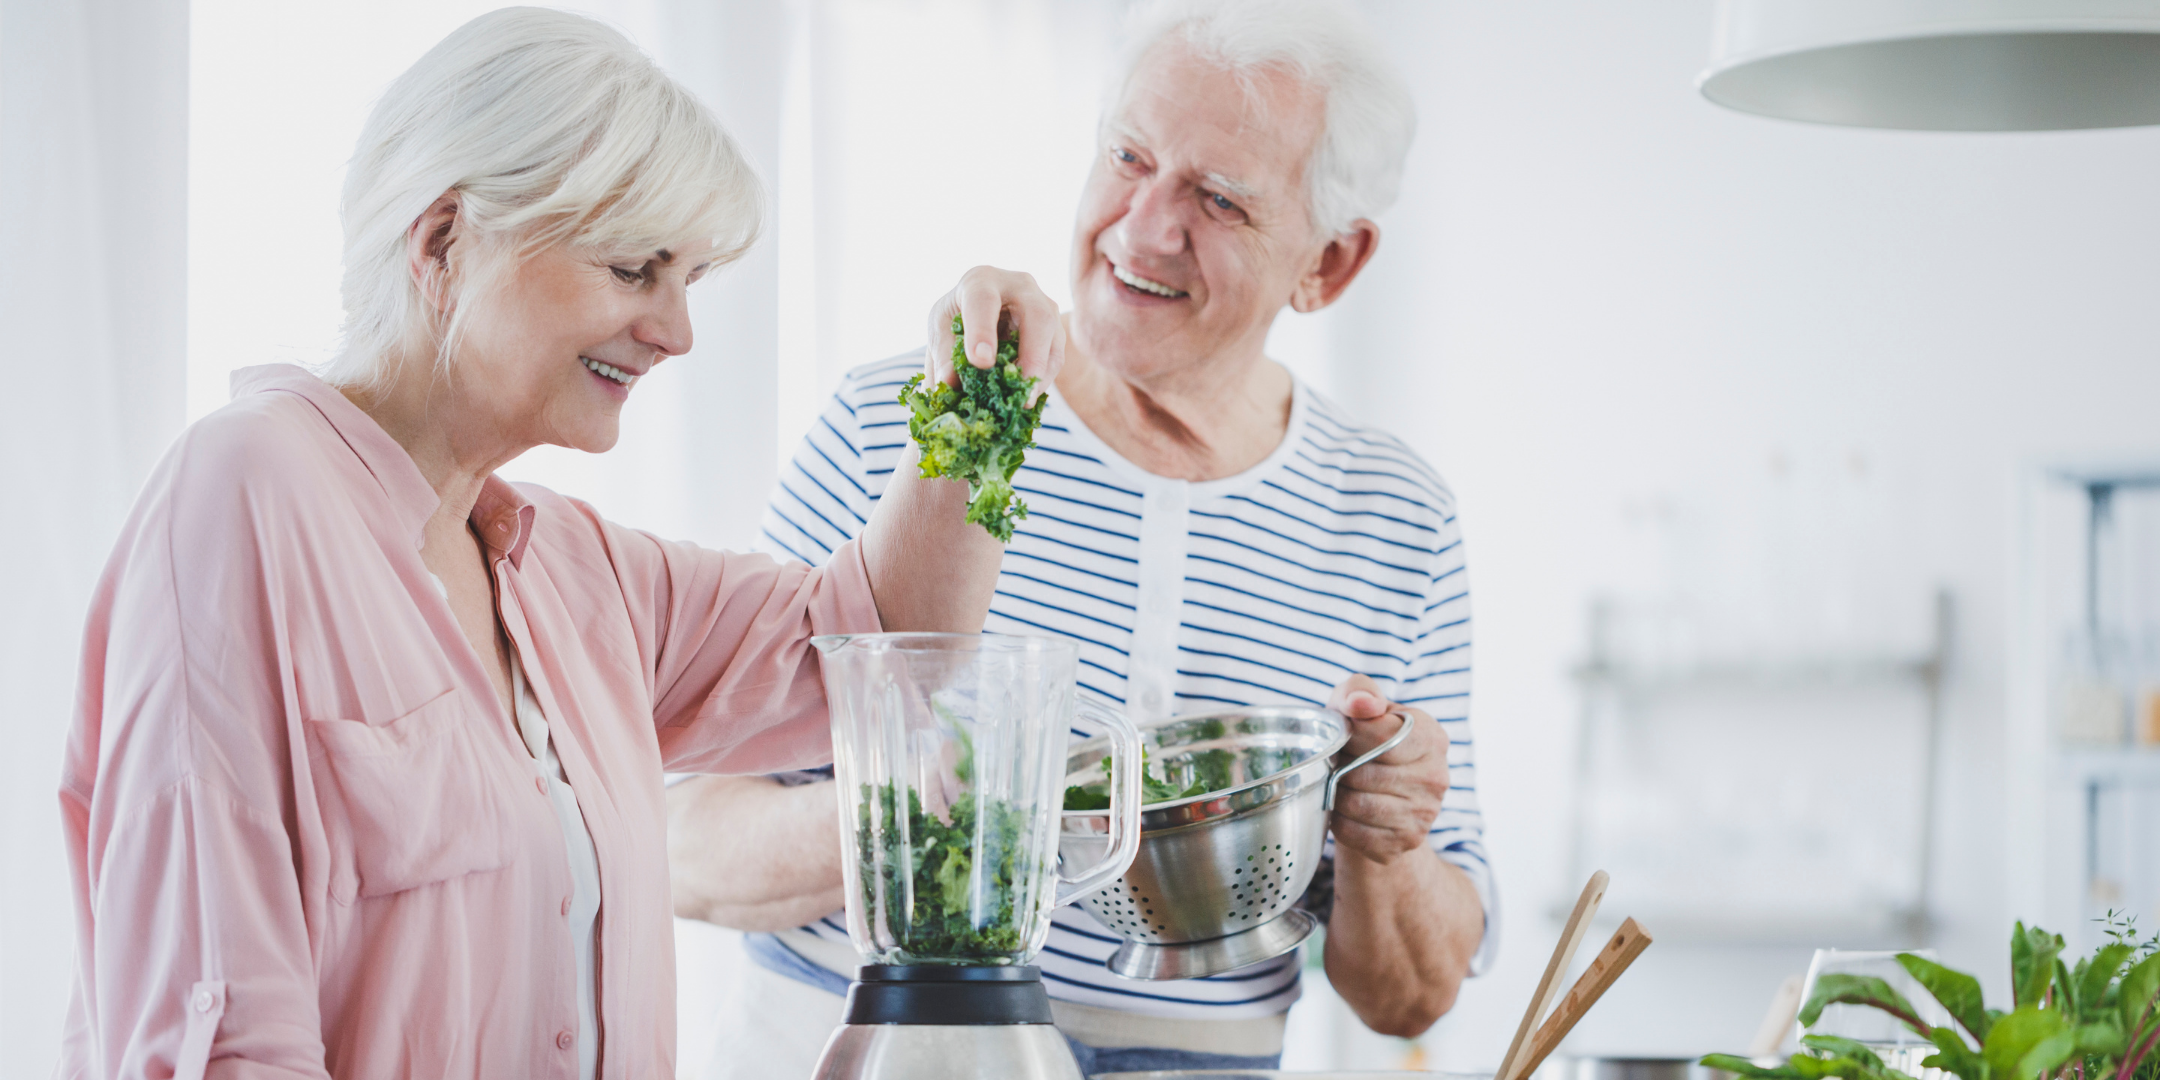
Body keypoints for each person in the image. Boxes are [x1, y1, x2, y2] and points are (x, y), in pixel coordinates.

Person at [54, 9, 1060, 1079]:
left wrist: (982, 402)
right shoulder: (245, 494)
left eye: (689, 283)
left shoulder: (578, 575)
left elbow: (887, 646)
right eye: (635, 270)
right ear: (445, 241)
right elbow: (218, 1037)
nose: (677, 333)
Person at [668, 0, 1493, 1073]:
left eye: (1219, 199)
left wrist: (1387, 842)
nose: (1144, 226)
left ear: (1328, 264)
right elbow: (686, 843)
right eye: (1130, 157)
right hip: (864, 1048)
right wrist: (934, 811)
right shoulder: (909, 425)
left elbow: (1415, 996)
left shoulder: (1396, 518)